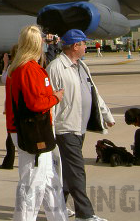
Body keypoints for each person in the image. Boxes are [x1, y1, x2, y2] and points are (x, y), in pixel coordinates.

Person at [46, 29, 114, 221]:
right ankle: (85, 214)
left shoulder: (82, 66)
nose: (86, 46)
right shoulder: (56, 67)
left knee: (68, 173)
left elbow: (93, 92)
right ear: (75, 46)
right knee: (76, 170)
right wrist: (49, 130)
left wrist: (105, 114)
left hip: (79, 127)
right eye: (84, 43)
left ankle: (57, 206)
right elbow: (50, 100)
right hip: (65, 127)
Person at [5, 25, 67, 221]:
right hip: (33, 131)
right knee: (32, 183)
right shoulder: (29, 69)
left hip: (31, 129)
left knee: (49, 181)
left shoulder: (20, 68)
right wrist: (55, 98)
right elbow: (35, 103)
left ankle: (59, 217)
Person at [0, 45, 18, 170]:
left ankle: (8, 161)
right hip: (17, 106)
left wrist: (5, 64)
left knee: (11, 136)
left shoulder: (12, 68)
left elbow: (4, 79)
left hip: (13, 107)